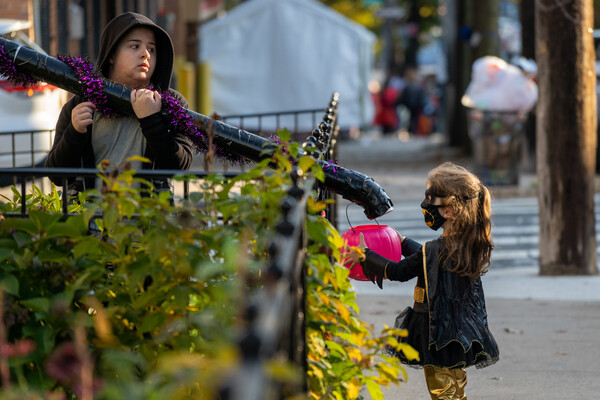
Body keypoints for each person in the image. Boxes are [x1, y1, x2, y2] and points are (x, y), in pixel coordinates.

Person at [347, 162, 499, 400]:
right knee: (455, 384)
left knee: (441, 389)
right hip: (458, 330)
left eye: (430, 199)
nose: (424, 205)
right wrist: (403, 241)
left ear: (448, 211)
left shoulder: (437, 249)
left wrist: (365, 254)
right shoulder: (467, 244)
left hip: (436, 330)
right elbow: (428, 259)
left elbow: (396, 271)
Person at [45, 12, 193, 195]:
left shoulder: (170, 105)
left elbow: (180, 168)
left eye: (152, 49)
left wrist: (152, 120)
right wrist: (74, 133)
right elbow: (56, 176)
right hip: (89, 220)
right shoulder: (81, 103)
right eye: (134, 46)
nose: (145, 54)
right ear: (111, 54)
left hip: (149, 219)